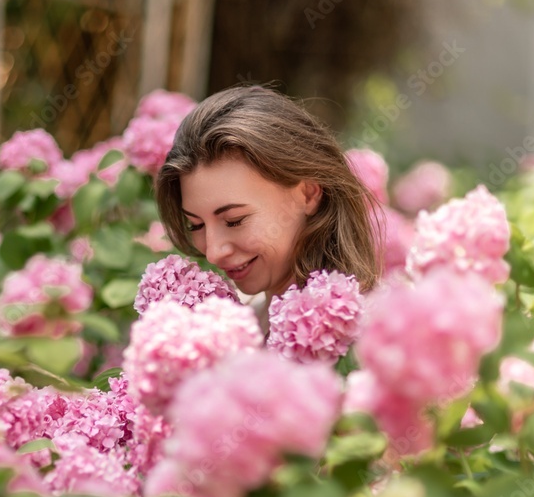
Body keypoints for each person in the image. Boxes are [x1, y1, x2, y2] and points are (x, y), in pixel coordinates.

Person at [155, 85, 383, 328]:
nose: (213, 252)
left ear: (308, 194)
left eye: (234, 220)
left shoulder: (367, 336)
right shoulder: (239, 328)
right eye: (196, 225)